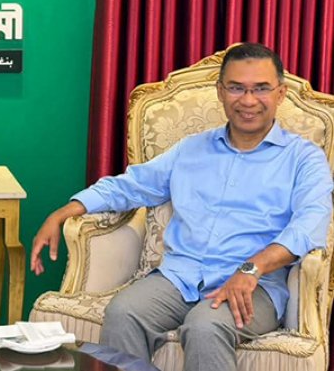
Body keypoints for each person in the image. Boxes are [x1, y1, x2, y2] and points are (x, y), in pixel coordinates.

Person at [30, 43, 333, 371]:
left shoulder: (304, 159)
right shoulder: (192, 149)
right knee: (123, 312)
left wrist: (252, 268)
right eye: (236, 88)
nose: (248, 100)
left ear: (280, 93)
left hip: (254, 285)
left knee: (205, 327)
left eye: (261, 88)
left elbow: (309, 225)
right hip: (180, 276)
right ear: (220, 91)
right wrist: (63, 213)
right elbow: (131, 185)